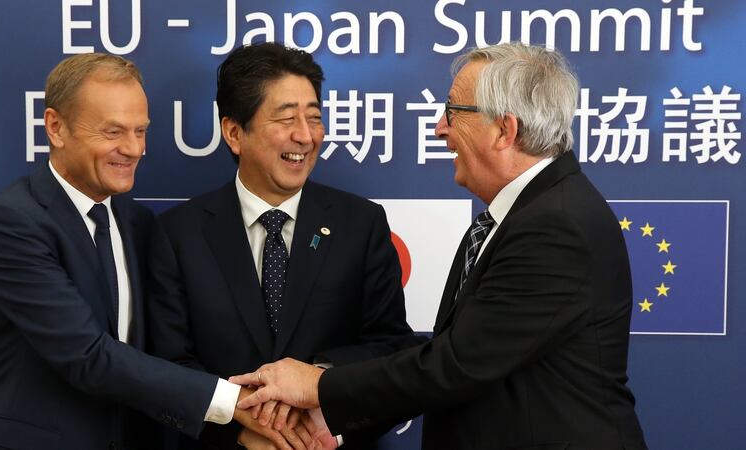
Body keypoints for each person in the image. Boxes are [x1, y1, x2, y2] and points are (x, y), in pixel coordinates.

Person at [230, 42, 649, 450]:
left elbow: (455, 365)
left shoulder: (555, 226)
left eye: (454, 111)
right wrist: (329, 410)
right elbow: (454, 352)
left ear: (505, 129)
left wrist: (319, 386)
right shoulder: (515, 218)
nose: (439, 127)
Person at [0, 53, 308, 450]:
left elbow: (160, 352)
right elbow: (88, 354)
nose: (133, 148)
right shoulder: (10, 223)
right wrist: (237, 401)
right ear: (56, 127)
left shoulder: (138, 223)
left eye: (140, 131)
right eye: (112, 132)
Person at [147, 42, 422, 449]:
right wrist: (244, 430)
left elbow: (390, 347)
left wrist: (320, 395)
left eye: (314, 117)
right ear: (234, 132)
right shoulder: (178, 234)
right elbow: (168, 364)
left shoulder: (360, 224)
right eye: (287, 117)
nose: (305, 136)